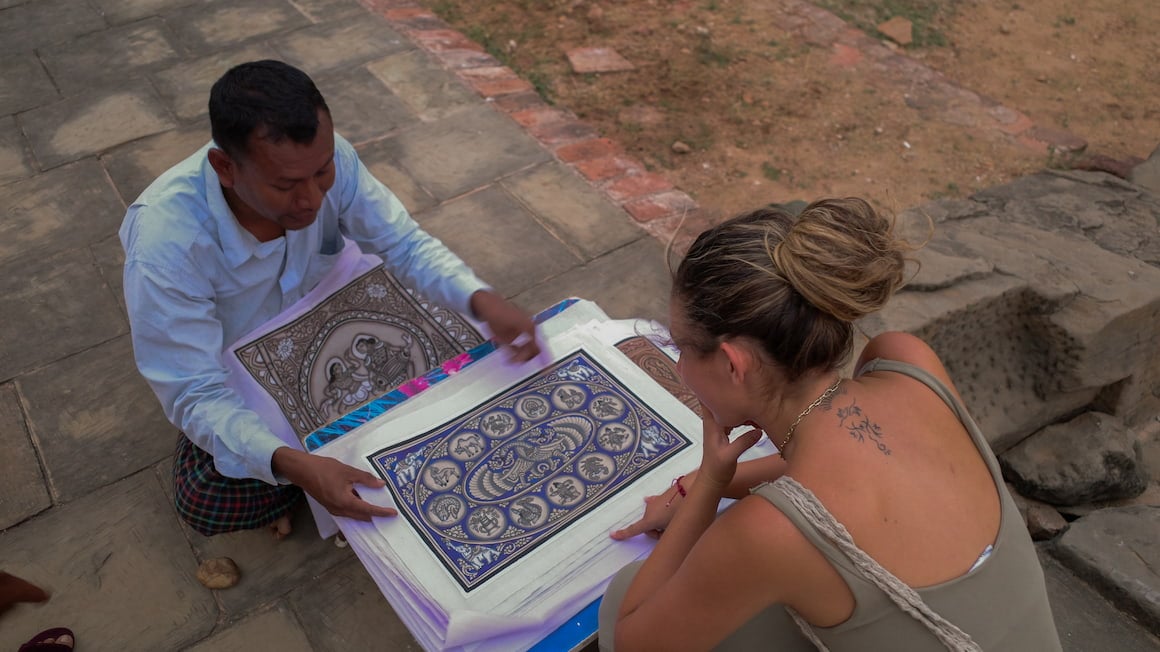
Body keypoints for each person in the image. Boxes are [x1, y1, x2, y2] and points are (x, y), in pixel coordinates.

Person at [599, 199, 1061, 650]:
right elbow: (862, 471)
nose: (679, 368)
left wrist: (707, 489)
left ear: (732, 365)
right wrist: (719, 477)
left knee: (628, 591)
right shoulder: (905, 360)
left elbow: (631, 641)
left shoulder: (769, 533)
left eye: (681, 348)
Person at [120, 60, 539, 539]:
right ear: (226, 168)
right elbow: (194, 389)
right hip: (249, 364)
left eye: (322, 174)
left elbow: (402, 244)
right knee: (207, 502)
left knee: (464, 360)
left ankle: (312, 474)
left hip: (350, 314)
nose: (313, 199)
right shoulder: (163, 245)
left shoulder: (326, 158)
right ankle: (301, 475)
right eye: (285, 186)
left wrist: (481, 300)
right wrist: (297, 466)